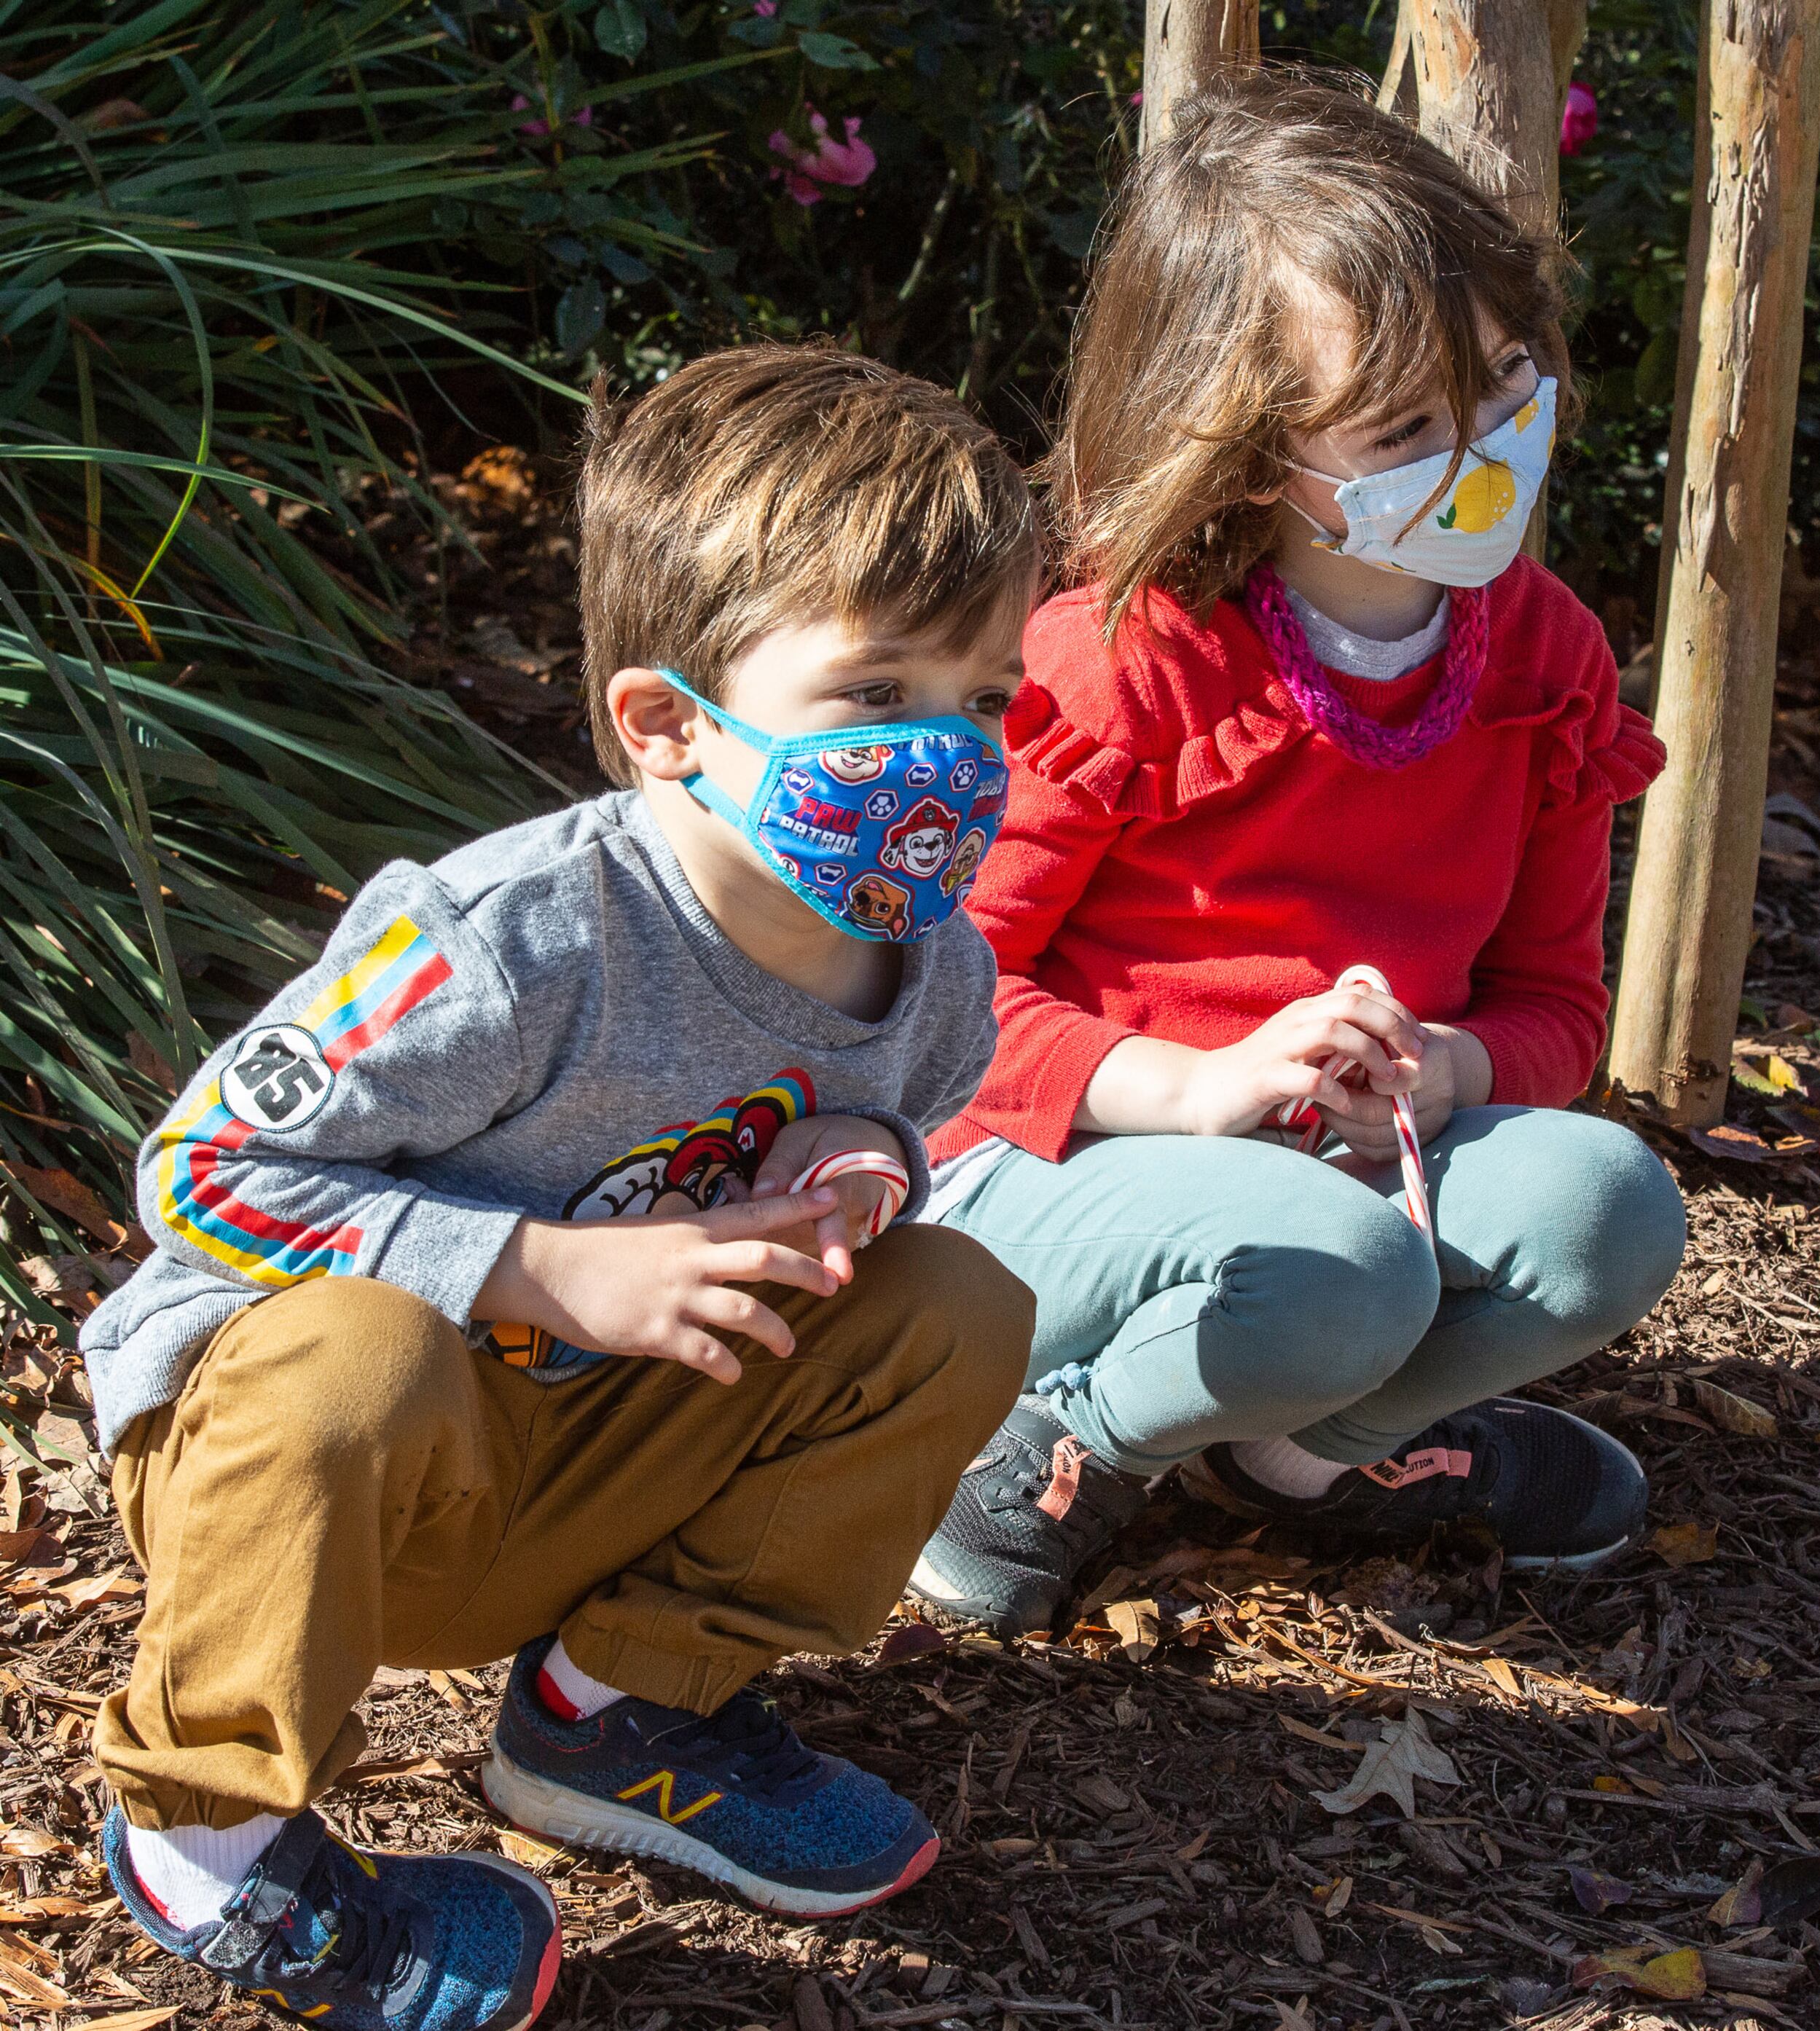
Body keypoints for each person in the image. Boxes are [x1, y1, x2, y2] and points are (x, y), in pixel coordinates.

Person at [78, 345, 1038, 2031]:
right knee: (352, 1353)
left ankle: (616, 1708)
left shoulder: (932, 964)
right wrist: (533, 1265)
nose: (945, 757)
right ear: (666, 723)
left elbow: (908, 1128)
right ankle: (205, 1832)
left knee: (954, 1307)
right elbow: (198, 1167)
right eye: (879, 697)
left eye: (984, 700)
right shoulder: (506, 939)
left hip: (596, 1451)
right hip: (320, 1486)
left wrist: (864, 1158)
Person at [910, 74, 1690, 1640]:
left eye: (1501, 382)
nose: (1477, 448)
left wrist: (1455, 1068)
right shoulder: (1118, 658)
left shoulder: (1544, 659)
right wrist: (1193, 1088)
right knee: (1340, 1269)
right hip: (1062, 1167)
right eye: (1403, 425)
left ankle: (1300, 1457)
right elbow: (934, 1002)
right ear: (1251, 448)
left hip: (1351, 1173)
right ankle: (1057, 1438)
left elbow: (1555, 1005)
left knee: (1610, 1206)